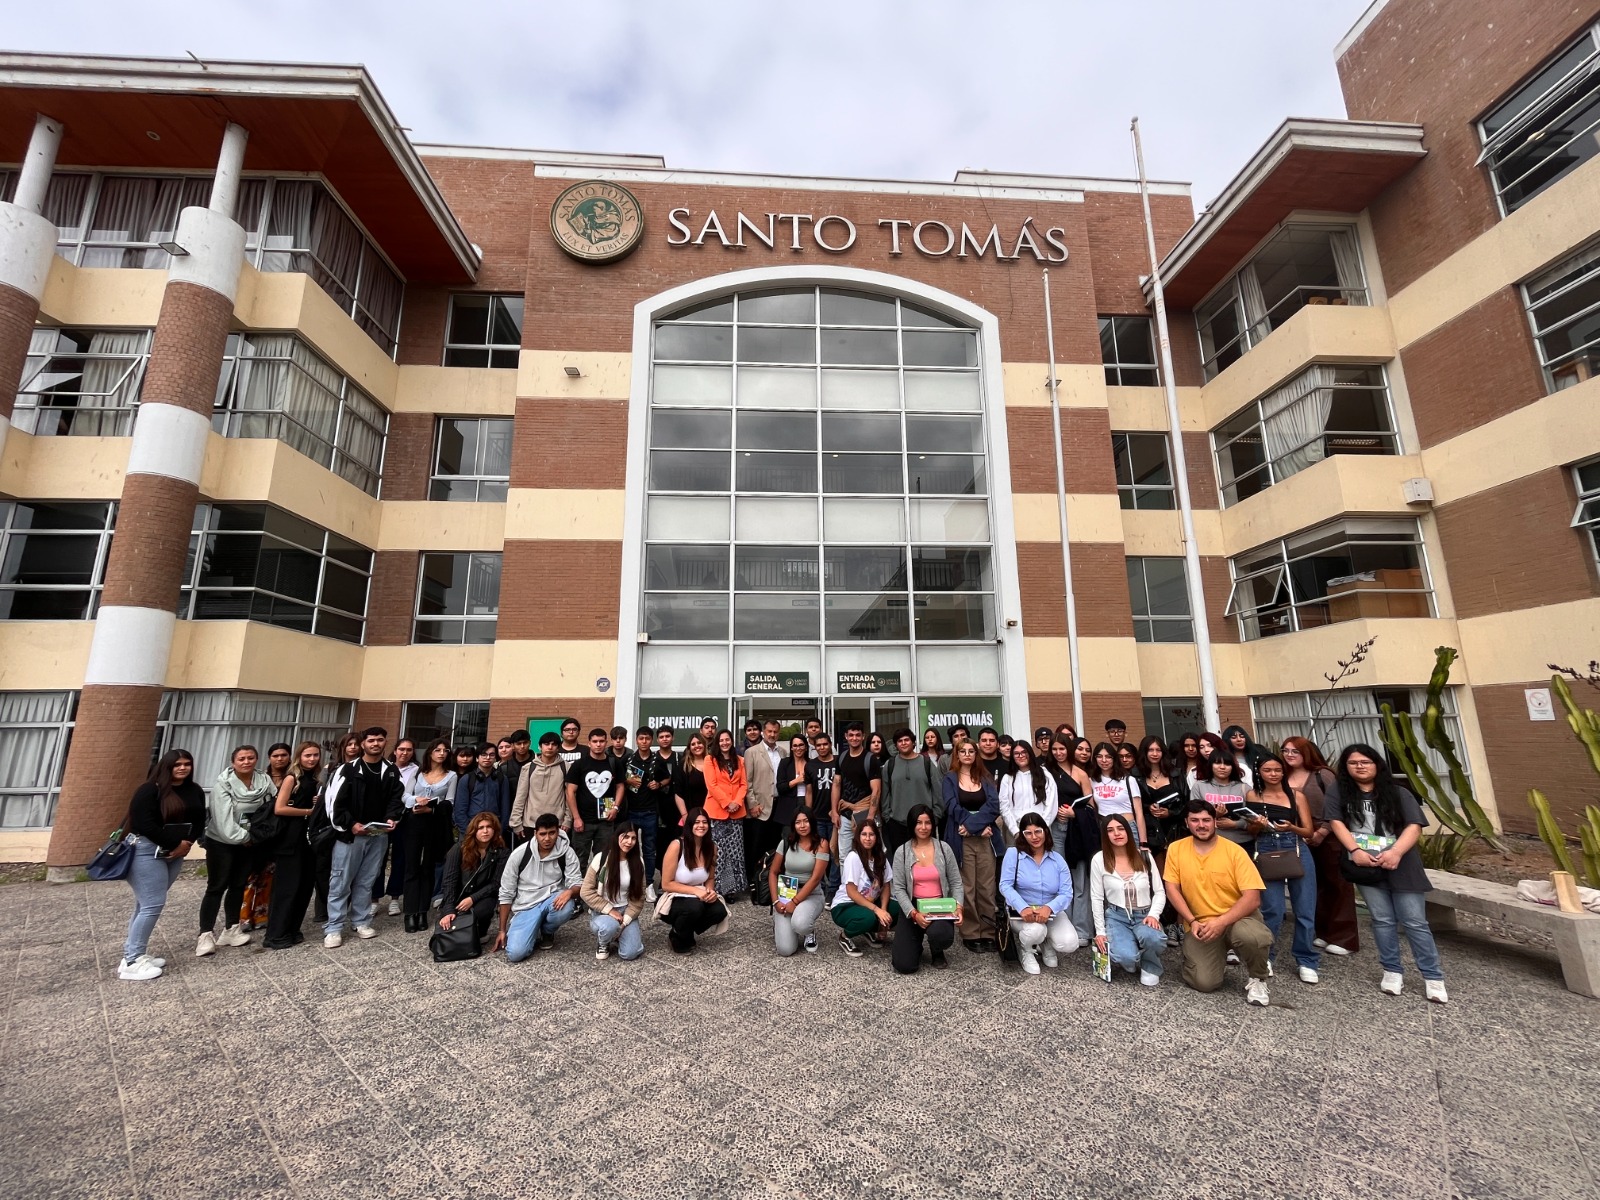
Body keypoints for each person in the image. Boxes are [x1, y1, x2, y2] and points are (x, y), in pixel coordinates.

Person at [1327, 744, 1447, 1003]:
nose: (1360, 766)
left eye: (1365, 761)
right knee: (1382, 920)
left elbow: (1414, 826)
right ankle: (1392, 970)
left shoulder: (1398, 793)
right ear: (1345, 767)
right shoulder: (1340, 792)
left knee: (1415, 921)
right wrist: (1354, 850)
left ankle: (1432, 976)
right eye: (1353, 762)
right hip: (1365, 863)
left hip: (1401, 863)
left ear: (1377, 764)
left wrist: (1396, 853)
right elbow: (1336, 822)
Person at [1163, 801, 1273, 1005]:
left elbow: (1252, 897)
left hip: (1238, 918)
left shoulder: (1235, 851)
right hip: (1201, 924)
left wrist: (1221, 922)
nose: (1201, 825)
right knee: (1204, 983)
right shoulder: (1176, 849)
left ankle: (1258, 977)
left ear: (1215, 822)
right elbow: (1172, 889)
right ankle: (1214, 956)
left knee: (1253, 937)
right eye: (1195, 820)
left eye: (1206, 820)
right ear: (1187, 823)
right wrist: (1192, 920)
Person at [116, 749, 205, 980]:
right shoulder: (149, 790)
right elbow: (145, 824)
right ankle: (132, 961)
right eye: (177, 765)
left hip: (176, 851)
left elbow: (199, 821)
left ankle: (134, 953)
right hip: (145, 850)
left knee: (145, 904)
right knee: (152, 904)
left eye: (187, 764)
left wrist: (186, 845)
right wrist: (177, 844)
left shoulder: (194, 790)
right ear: (167, 767)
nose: (183, 768)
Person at [323, 728, 405, 948]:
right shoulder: (347, 770)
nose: (376, 744)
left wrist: (391, 818)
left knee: (367, 880)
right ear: (363, 744)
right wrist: (350, 824)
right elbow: (333, 802)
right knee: (340, 881)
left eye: (380, 740)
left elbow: (396, 798)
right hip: (351, 836)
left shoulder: (391, 770)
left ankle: (361, 921)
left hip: (378, 834)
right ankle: (334, 927)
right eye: (371, 740)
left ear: (385, 742)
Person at [1282, 735, 1358, 957]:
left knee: (1337, 884)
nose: (1289, 755)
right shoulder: (1283, 776)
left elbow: (1338, 807)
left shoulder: (1322, 775)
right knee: (1313, 886)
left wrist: (1323, 831)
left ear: (1306, 752)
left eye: (1294, 751)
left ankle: (1344, 937)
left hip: (1329, 833)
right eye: (1285, 751)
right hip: (1297, 833)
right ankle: (1323, 932)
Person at [197, 744, 275, 956]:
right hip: (222, 842)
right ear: (233, 762)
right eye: (241, 758)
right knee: (216, 886)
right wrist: (244, 837)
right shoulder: (223, 785)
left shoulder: (264, 781)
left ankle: (231, 928)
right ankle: (205, 934)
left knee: (239, 884)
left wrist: (256, 836)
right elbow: (223, 820)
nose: (246, 762)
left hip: (250, 842)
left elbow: (271, 806)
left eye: (251, 758)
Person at [1251, 753, 1321, 983]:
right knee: (1273, 909)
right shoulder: (1253, 794)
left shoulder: (1296, 796)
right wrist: (1257, 825)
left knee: (1305, 908)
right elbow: (1249, 832)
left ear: (1283, 772)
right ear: (1259, 773)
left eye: (1277, 770)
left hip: (1297, 849)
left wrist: (1291, 827)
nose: (1273, 774)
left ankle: (1306, 959)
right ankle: (1267, 956)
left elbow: (1309, 831)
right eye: (1267, 770)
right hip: (1266, 848)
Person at [1090, 814, 1168, 986]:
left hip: (1144, 914)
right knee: (1125, 957)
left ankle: (1150, 964)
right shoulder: (1099, 859)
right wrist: (1100, 932)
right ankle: (1131, 952)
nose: (1117, 833)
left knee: (1154, 939)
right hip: (1117, 916)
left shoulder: (1145, 856)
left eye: (1121, 828)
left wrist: (1154, 915)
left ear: (1128, 831)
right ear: (1105, 835)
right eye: (1110, 830)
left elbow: (1160, 892)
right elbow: (1096, 897)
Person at [494, 812, 583, 960]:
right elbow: (506, 892)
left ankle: (547, 931)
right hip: (526, 905)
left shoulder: (566, 852)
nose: (547, 838)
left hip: (551, 900)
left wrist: (569, 892)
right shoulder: (520, 854)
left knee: (568, 906)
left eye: (551, 833)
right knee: (515, 954)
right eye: (542, 834)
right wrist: (501, 930)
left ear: (558, 831)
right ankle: (531, 930)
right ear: (535, 833)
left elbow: (577, 882)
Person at [999, 812, 1080, 975]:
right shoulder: (1013, 855)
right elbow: (1005, 886)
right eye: (1028, 833)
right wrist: (1022, 907)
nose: (1034, 837)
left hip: (1050, 913)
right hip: (1021, 913)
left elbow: (1066, 892)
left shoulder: (1057, 859)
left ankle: (1045, 943)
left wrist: (1049, 908)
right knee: (1036, 930)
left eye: (1038, 831)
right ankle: (1026, 949)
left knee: (1070, 943)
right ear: (1022, 835)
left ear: (1045, 831)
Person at [942, 738, 1001, 954]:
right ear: (956, 754)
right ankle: (971, 932)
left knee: (986, 886)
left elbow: (994, 806)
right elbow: (951, 806)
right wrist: (973, 826)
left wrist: (975, 826)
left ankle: (988, 931)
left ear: (976, 755)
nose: (967, 754)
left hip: (985, 838)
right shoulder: (950, 778)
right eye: (963, 751)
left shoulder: (984, 777)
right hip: (961, 839)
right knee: (967, 887)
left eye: (971, 751)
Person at [889, 804, 964, 973]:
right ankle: (916, 944)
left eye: (927, 823)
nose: (923, 827)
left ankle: (937, 948)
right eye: (918, 823)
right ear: (912, 825)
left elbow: (956, 882)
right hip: (913, 907)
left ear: (933, 824)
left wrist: (959, 907)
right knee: (904, 965)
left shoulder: (944, 849)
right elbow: (899, 888)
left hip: (939, 905)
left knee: (942, 936)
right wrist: (914, 913)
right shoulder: (902, 852)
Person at [262, 742, 323, 950]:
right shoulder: (292, 778)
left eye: (315, 755)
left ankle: (292, 929)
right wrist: (308, 811)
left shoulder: (315, 779)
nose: (312, 759)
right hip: (289, 840)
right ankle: (276, 934)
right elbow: (280, 808)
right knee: (286, 889)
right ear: (299, 756)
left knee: (303, 888)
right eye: (307, 755)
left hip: (307, 841)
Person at [1135, 735, 1187, 944]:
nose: (1154, 754)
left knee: (1175, 879)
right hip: (1149, 832)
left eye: (1158, 750)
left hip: (1174, 832)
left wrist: (1169, 813)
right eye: (1150, 750)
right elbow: (1133, 804)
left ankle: (1178, 924)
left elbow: (1186, 803)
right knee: (1154, 879)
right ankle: (1161, 922)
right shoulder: (1136, 776)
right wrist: (1150, 809)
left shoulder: (1175, 774)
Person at [402, 738, 456, 932]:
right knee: (411, 867)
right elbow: (405, 795)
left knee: (427, 868)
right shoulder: (418, 772)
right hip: (414, 822)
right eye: (438, 750)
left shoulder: (451, 775)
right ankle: (409, 912)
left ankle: (422, 911)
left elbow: (449, 802)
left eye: (445, 750)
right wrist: (417, 800)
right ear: (430, 752)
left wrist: (431, 808)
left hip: (434, 823)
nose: (441, 753)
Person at [659, 808, 730, 953]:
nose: (701, 825)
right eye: (697, 822)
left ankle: (685, 930)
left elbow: (710, 877)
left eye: (705, 822)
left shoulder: (711, 847)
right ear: (689, 825)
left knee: (719, 911)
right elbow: (666, 884)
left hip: (699, 895)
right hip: (676, 895)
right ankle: (677, 933)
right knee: (694, 908)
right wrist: (696, 891)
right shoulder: (677, 846)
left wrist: (710, 891)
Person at [438, 811, 509, 944]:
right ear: (474, 831)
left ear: (495, 830)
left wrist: (472, 898)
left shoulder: (501, 852)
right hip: (459, 896)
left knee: (484, 909)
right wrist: (448, 909)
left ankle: (480, 931)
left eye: (489, 827)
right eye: (481, 828)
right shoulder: (459, 849)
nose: (485, 831)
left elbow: (496, 883)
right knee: (451, 923)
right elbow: (449, 881)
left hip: (483, 896)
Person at [831, 818, 899, 957]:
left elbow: (886, 886)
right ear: (858, 836)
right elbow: (851, 892)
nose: (868, 838)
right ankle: (845, 936)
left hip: (869, 902)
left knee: (897, 909)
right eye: (864, 834)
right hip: (845, 905)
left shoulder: (880, 857)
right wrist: (877, 910)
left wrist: (883, 914)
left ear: (876, 837)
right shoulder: (853, 857)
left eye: (871, 834)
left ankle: (866, 929)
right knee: (868, 917)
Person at [768, 807, 831, 956]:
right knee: (785, 950)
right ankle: (784, 927)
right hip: (786, 892)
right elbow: (773, 872)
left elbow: (816, 878)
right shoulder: (785, 843)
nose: (802, 826)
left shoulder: (821, 844)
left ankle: (808, 931)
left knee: (800, 924)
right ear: (793, 825)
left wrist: (795, 902)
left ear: (812, 823)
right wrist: (776, 901)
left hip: (811, 894)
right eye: (798, 822)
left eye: (806, 821)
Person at [581, 821, 647, 961]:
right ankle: (604, 942)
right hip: (603, 911)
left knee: (630, 954)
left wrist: (626, 921)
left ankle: (621, 937)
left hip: (626, 909)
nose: (629, 842)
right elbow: (585, 891)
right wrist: (610, 910)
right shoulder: (601, 858)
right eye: (625, 837)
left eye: (633, 838)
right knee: (609, 926)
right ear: (617, 836)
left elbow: (639, 896)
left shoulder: (638, 862)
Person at [566, 728, 623, 869]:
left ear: (606, 742)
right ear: (589, 743)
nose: (598, 744)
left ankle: (598, 888)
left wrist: (616, 807)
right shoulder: (579, 764)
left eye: (601, 741)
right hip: (583, 821)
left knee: (603, 858)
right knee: (579, 859)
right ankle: (579, 890)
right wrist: (576, 817)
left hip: (606, 820)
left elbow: (620, 787)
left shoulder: (613, 763)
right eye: (595, 741)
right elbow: (570, 792)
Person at [374, 737, 416, 918]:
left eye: (408, 750)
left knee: (400, 859)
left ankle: (394, 898)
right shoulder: (385, 768)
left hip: (405, 819)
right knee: (377, 860)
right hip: (383, 818)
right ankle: (374, 899)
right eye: (401, 749)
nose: (404, 753)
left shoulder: (416, 770)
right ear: (395, 750)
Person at [881, 727, 941, 854]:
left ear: (913, 742)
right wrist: (888, 817)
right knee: (900, 864)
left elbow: (938, 791)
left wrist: (935, 817)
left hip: (923, 824)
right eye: (900, 741)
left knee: (926, 862)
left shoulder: (927, 763)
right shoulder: (890, 765)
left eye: (907, 740)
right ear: (896, 745)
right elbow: (885, 793)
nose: (903, 743)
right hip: (897, 824)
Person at [703, 729, 748, 896]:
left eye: (727, 740)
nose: (724, 743)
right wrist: (727, 803)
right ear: (717, 742)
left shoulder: (740, 760)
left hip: (736, 813)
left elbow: (743, 784)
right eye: (721, 740)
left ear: (731, 741)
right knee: (718, 853)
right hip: (716, 813)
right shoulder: (710, 760)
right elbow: (711, 785)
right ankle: (715, 888)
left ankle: (732, 890)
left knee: (735, 853)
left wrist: (736, 802)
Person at [831, 722, 881, 872]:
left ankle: (869, 890)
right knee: (844, 856)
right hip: (845, 815)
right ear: (846, 737)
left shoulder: (870, 759)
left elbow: (876, 790)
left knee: (868, 854)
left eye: (858, 735)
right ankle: (847, 891)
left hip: (864, 813)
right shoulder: (841, 758)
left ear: (863, 736)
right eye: (851, 735)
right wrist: (834, 811)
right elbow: (836, 784)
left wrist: (870, 818)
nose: (854, 738)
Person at [742, 719, 783, 890]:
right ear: (763, 733)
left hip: (779, 806)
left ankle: (770, 881)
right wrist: (752, 803)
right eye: (769, 732)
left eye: (775, 732)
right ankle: (753, 881)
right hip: (759, 807)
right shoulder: (752, 752)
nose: (772, 735)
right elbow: (747, 781)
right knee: (756, 846)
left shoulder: (783, 752)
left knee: (775, 846)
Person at [511, 732, 570, 843]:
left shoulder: (566, 767)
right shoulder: (528, 767)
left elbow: (570, 796)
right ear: (539, 746)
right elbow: (520, 796)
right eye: (546, 744)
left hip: (558, 823)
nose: (550, 747)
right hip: (530, 823)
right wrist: (516, 822)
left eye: (553, 744)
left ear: (558, 747)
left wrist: (568, 820)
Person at [1191, 750, 1253, 848]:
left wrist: (1235, 824)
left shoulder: (1245, 788)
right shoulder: (1199, 786)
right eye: (1217, 763)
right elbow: (1193, 815)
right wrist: (1214, 815)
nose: (1222, 767)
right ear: (1211, 765)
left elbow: (1253, 818)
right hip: (1211, 842)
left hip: (1242, 841)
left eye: (1227, 764)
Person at [1088, 742, 1146, 845]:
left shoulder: (1128, 780)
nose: (1104, 760)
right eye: (1100, 757)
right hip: (1106, 828)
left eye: (1108, 757)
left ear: (1114, 759)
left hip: (1127, 826)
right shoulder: (1091, 781)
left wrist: (1143, 842)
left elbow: (1139, 813)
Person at [622, 727, 660, 883]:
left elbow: (667, 779)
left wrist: (658, 784)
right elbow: (618, 782)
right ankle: (630, 881)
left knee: (649, 850)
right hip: (630, 811)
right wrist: (627, 781)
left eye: (647, 739)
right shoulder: (628, 759)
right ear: (636, 740)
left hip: (650, 812)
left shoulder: (658, 760)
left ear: (652, 740)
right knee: (629, 847)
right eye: (641, 739)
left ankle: (649, 882)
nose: (644, 742)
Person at [999, 740, 1058, 837]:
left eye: (1024, 752)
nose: (1021, 756)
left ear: (1030, 753)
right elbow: (1004, 806)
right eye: (1016, 754)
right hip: (1016, 830)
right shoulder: (1008, 778)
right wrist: (1015, 831)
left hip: (1041, 828)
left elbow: (1052, 803)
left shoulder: (1044, 774)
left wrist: (1042, 827)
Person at [455, 743, 511, 839]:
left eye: (491, 755)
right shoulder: (467, 779)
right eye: (484, 755)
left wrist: (500, 831)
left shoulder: (501, 779)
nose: (487, 757)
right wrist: (468, 832)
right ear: (477, 758)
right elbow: (459, 810)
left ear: (495, 758)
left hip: (494, 829)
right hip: (471, 828)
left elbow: (505, 808)